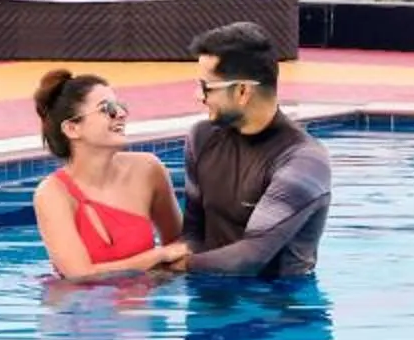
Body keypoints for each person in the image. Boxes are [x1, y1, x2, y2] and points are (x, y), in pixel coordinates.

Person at [179, 21, 330, 279]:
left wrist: (166, 269)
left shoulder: (304, 162)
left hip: (279, 309)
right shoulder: (201, 138)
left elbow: (251, 257)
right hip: (210, 300)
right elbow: (193, 233)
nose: (198, 96)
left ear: (242, 91)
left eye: (206, 87)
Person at [30, 69, 188, 279]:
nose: (121, 114)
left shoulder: (148, 170)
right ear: (72, 129)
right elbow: (79, 275)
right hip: (79, 306)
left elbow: (179, 244)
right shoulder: (53, 194)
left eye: (120, 106)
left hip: (142, 305)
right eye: (108, 109)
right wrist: (157, 257)